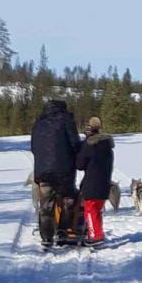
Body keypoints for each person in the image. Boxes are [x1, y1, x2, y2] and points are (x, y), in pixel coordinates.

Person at [30, 99, 83, 244]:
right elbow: (74, 143)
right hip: (64, 170)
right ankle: (63, 231)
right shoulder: (66, 119)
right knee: (67, 198)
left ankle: (46, 236)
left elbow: (33, 147)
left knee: (46, 204)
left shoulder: (38, 123)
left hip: (42, 172)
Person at [75, 116, 115, 245]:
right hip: (105, 182)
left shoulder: (89, 144)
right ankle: (99, 233)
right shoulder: (108, 145)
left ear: (89, 128)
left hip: (92, 182)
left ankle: (95, 236)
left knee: (90, 210)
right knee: (97, 210)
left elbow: (80, 164)